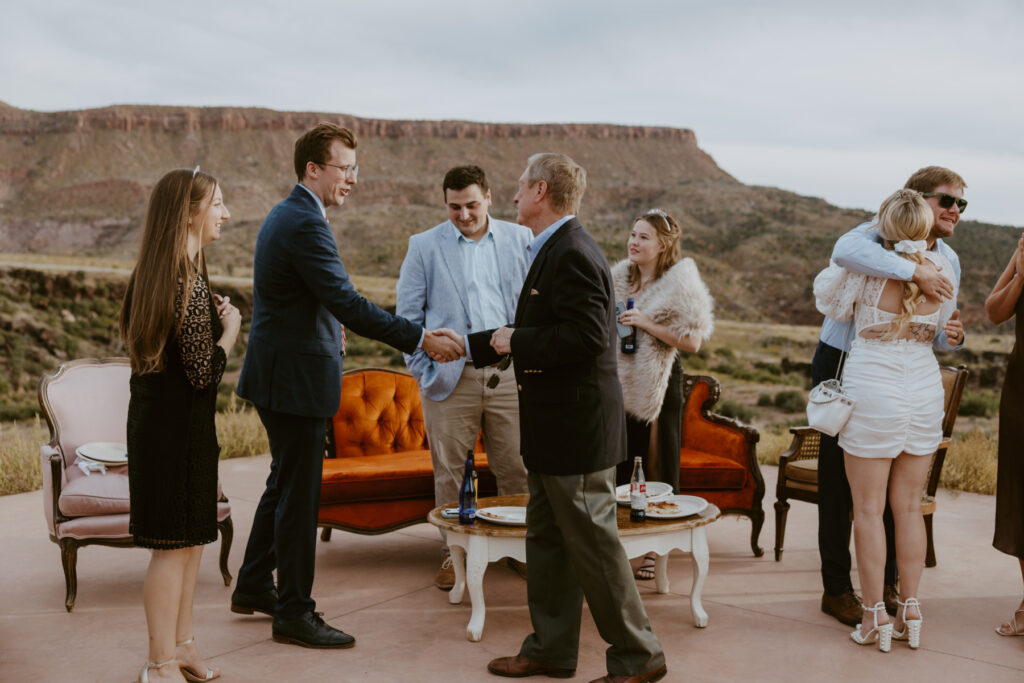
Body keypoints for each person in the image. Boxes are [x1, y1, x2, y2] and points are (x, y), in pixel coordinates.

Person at [232, 123, 463, 649]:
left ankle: (251, 583)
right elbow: (348, 303)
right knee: (299, 498)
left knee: (283, 484)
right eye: (345, 168)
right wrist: (421, 338)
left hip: (281, 377)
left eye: (356, 169)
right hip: (294, 383)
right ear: (313, 169)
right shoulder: (304, 223)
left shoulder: (291, 214)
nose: (353, 179)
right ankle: (294, 611)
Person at [470, 153, 667, 683]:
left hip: (575, 434)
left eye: (518, 185)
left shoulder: (573, 251)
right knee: (550, 541)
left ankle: (639, 656)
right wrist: (467, 347)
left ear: (539, 190)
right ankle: (551, 650)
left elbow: (586, 338)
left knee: (596, 547)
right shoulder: (556, 247)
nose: (512, 195)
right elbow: (541, 331)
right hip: (554, 432)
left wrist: (516, 339)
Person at [812, 166, 966, 628]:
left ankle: (889, 589)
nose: (955, 211)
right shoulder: (872, 234)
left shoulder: (951, 261)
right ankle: (838, 589)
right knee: (840, 488)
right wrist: (912, 267)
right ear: (919, 200)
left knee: (891, 497)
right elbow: (842, 253)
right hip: (842, 360)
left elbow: (935, 334)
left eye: (962, 204)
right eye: (947, 200)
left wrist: (951, 338)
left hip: (904, 370)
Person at [120, 167, 241, 682]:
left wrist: (209, 320)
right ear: (189, 212)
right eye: (216, 203)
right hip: (174, 434)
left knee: (190, 542)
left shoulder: (168, 274)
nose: (225, 213)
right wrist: (231, 329)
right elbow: (202, 374)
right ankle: (159, 663)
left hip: (177, 430)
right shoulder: (184, 283)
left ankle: (184, 646)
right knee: (172, 550)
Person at [396, 165, 531, 590]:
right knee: (449, 473)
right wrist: (424, 370)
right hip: (449, 379)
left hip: (509, 375)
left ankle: (519, 548)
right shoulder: (423, 246)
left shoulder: (521, 239)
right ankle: (452, 553)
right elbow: (407, 320)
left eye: (472, 204)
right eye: (455, 207)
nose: (464, 214)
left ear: (489, 197)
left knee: (516, 468)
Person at [611, 209, 713, 580]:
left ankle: (654, 549)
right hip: (621, 381)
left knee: (653, 464)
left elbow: (693, 342)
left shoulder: (678, 283)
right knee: (620, 463)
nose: (633, 242)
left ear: (663, 245)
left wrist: (646, 323)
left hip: (659, 382)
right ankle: (622, 540)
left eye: (643, 237)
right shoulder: (619, 278)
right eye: (632, 234)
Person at [985, 232, 1024, 636]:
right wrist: (1020, 276)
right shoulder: (1023, 252)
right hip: (1022, 394)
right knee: (1021, 493)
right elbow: (994, 312)